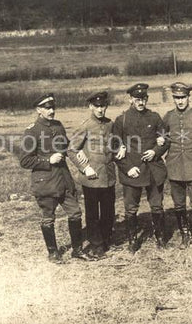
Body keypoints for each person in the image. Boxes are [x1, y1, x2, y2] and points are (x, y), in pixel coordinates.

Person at [20, 93, 93, 263]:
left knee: (75, 213)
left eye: (53, 107)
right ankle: (53, 253)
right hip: (45, 182)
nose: (51, 111)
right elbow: (25, 160)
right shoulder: (32, 131)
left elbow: (67, 148)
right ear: (39, 110)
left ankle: (77, 250)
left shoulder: (58, 126)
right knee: (48, 217)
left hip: (64, 179)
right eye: (47, 108)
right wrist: (48, 160)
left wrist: (80, 158)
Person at [112, 83, 170, 252]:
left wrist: (156, 151)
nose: (140, 102)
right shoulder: (121, 120)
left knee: (157, 205)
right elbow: (115, 147)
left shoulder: (155, 117)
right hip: (133, 171)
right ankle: (133, 240)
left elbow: (165, 139)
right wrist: (127, 168)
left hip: (153, 170)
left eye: (143, 99)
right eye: (137, 99)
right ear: (130, 99)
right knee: (131, 207)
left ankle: (160, 238)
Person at [68, 91, 121, 259]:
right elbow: (71, 149)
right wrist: (84, 167)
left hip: (108, 176)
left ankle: (105, 239)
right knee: (92, 214)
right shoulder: (86, 125)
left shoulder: (110, 124)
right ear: (91, 106)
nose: (100, 109)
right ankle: (96, 244)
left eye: (103, 106)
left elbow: (114, 143)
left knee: (108, 211)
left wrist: (121, 147)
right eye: (97, 106)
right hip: (92, 177)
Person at [162, 82, 192, 250]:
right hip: (175, 166)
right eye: (177, 98)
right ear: (174, 98)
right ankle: (185, 234)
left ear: (188, 97)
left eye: (183, 97)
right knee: (178, 204)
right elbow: (162, 137)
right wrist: (161, 143)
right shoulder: (168, 116)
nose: (180, 101)